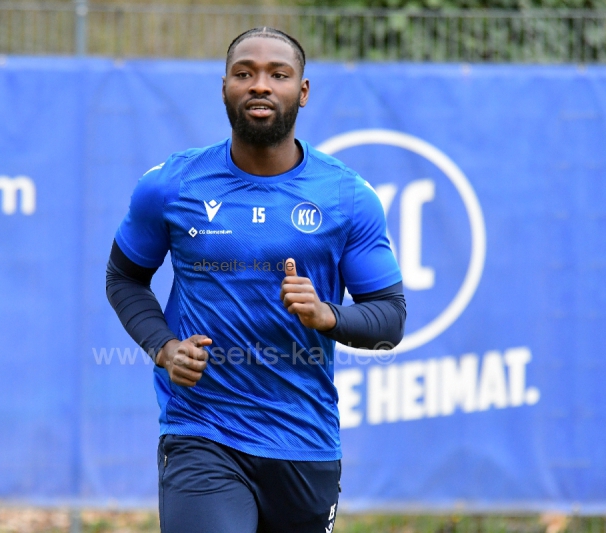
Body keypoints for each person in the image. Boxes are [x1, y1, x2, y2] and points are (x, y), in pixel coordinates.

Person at [106, 27, 406, 533]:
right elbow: (124, 279)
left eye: (278, 75)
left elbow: (390, 319)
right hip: (202, 432)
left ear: (302, 92)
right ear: (224, 88)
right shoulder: (172, 185)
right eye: (244, 73)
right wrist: (163, 347)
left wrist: (327, 315)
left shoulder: (347, 197)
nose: (260, 85)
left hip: (303, 441)